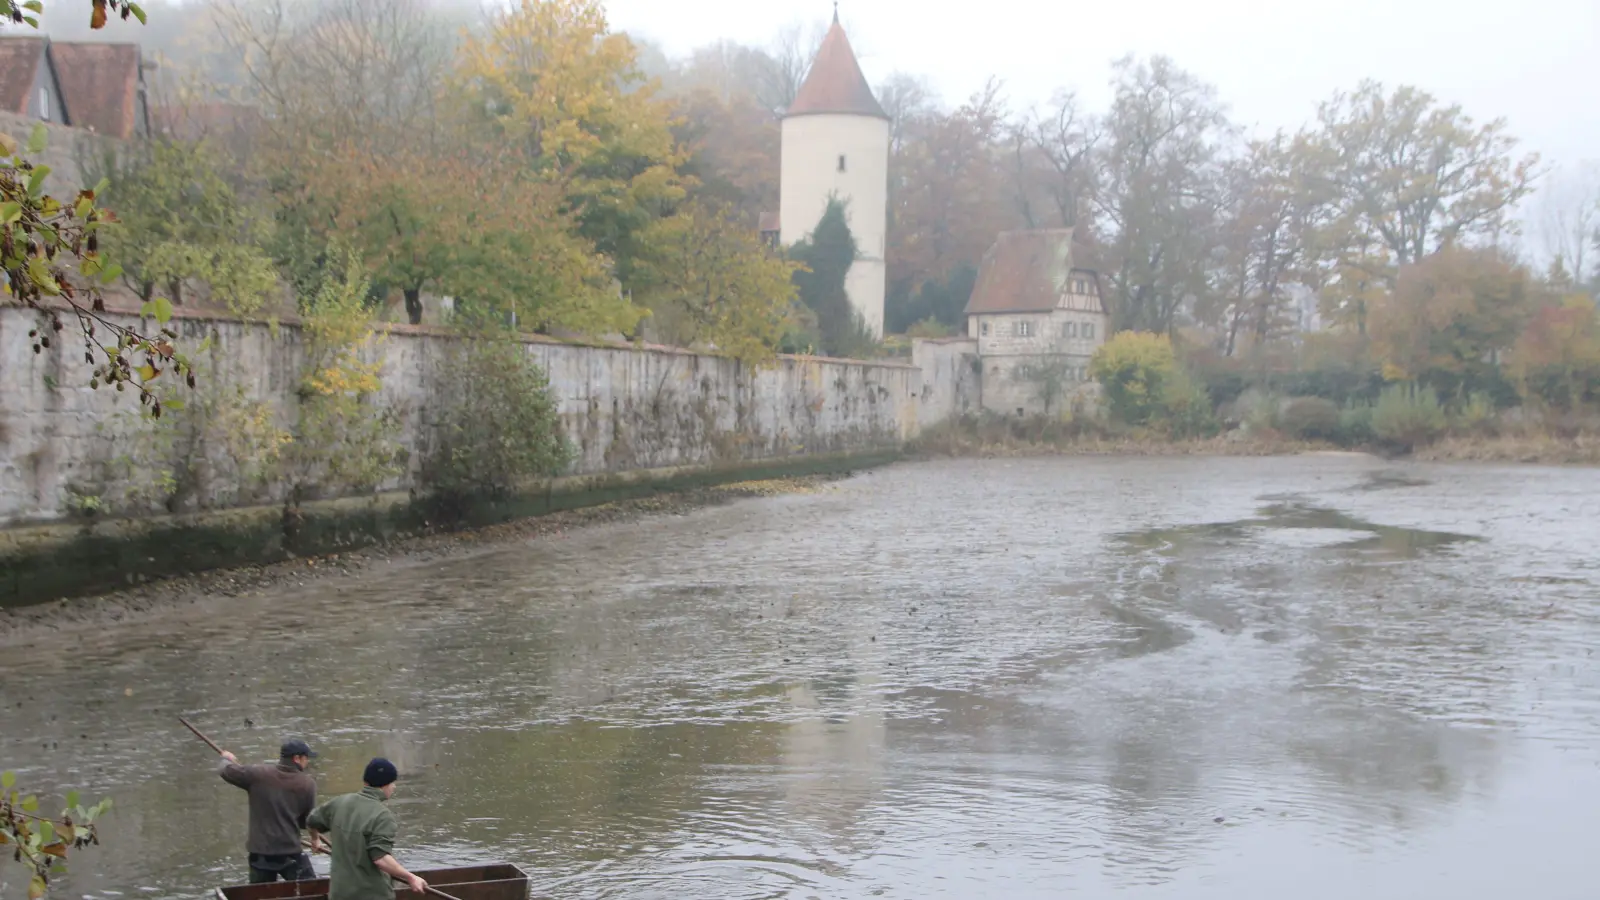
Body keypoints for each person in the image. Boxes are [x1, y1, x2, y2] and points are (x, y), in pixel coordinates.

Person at [306, 758, 429, 899]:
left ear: (366, 782)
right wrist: (411, 877)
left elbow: (311, 821)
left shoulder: (340, 802)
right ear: (386, 785)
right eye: (393, 783)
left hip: (339, 894)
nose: (394, 787)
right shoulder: (382, 816)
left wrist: (315, 839)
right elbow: (380, 858)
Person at [218, 738, 322, 883]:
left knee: (258, 895)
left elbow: (225, 771)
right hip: (289, 851)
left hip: (260, 853)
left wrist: (226, 758)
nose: (307, 762)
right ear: (296, 758)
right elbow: (309, 821)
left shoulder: (257, 774)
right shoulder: (307, 784)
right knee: (310, 889)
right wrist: (315, 839)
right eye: (306, 758)